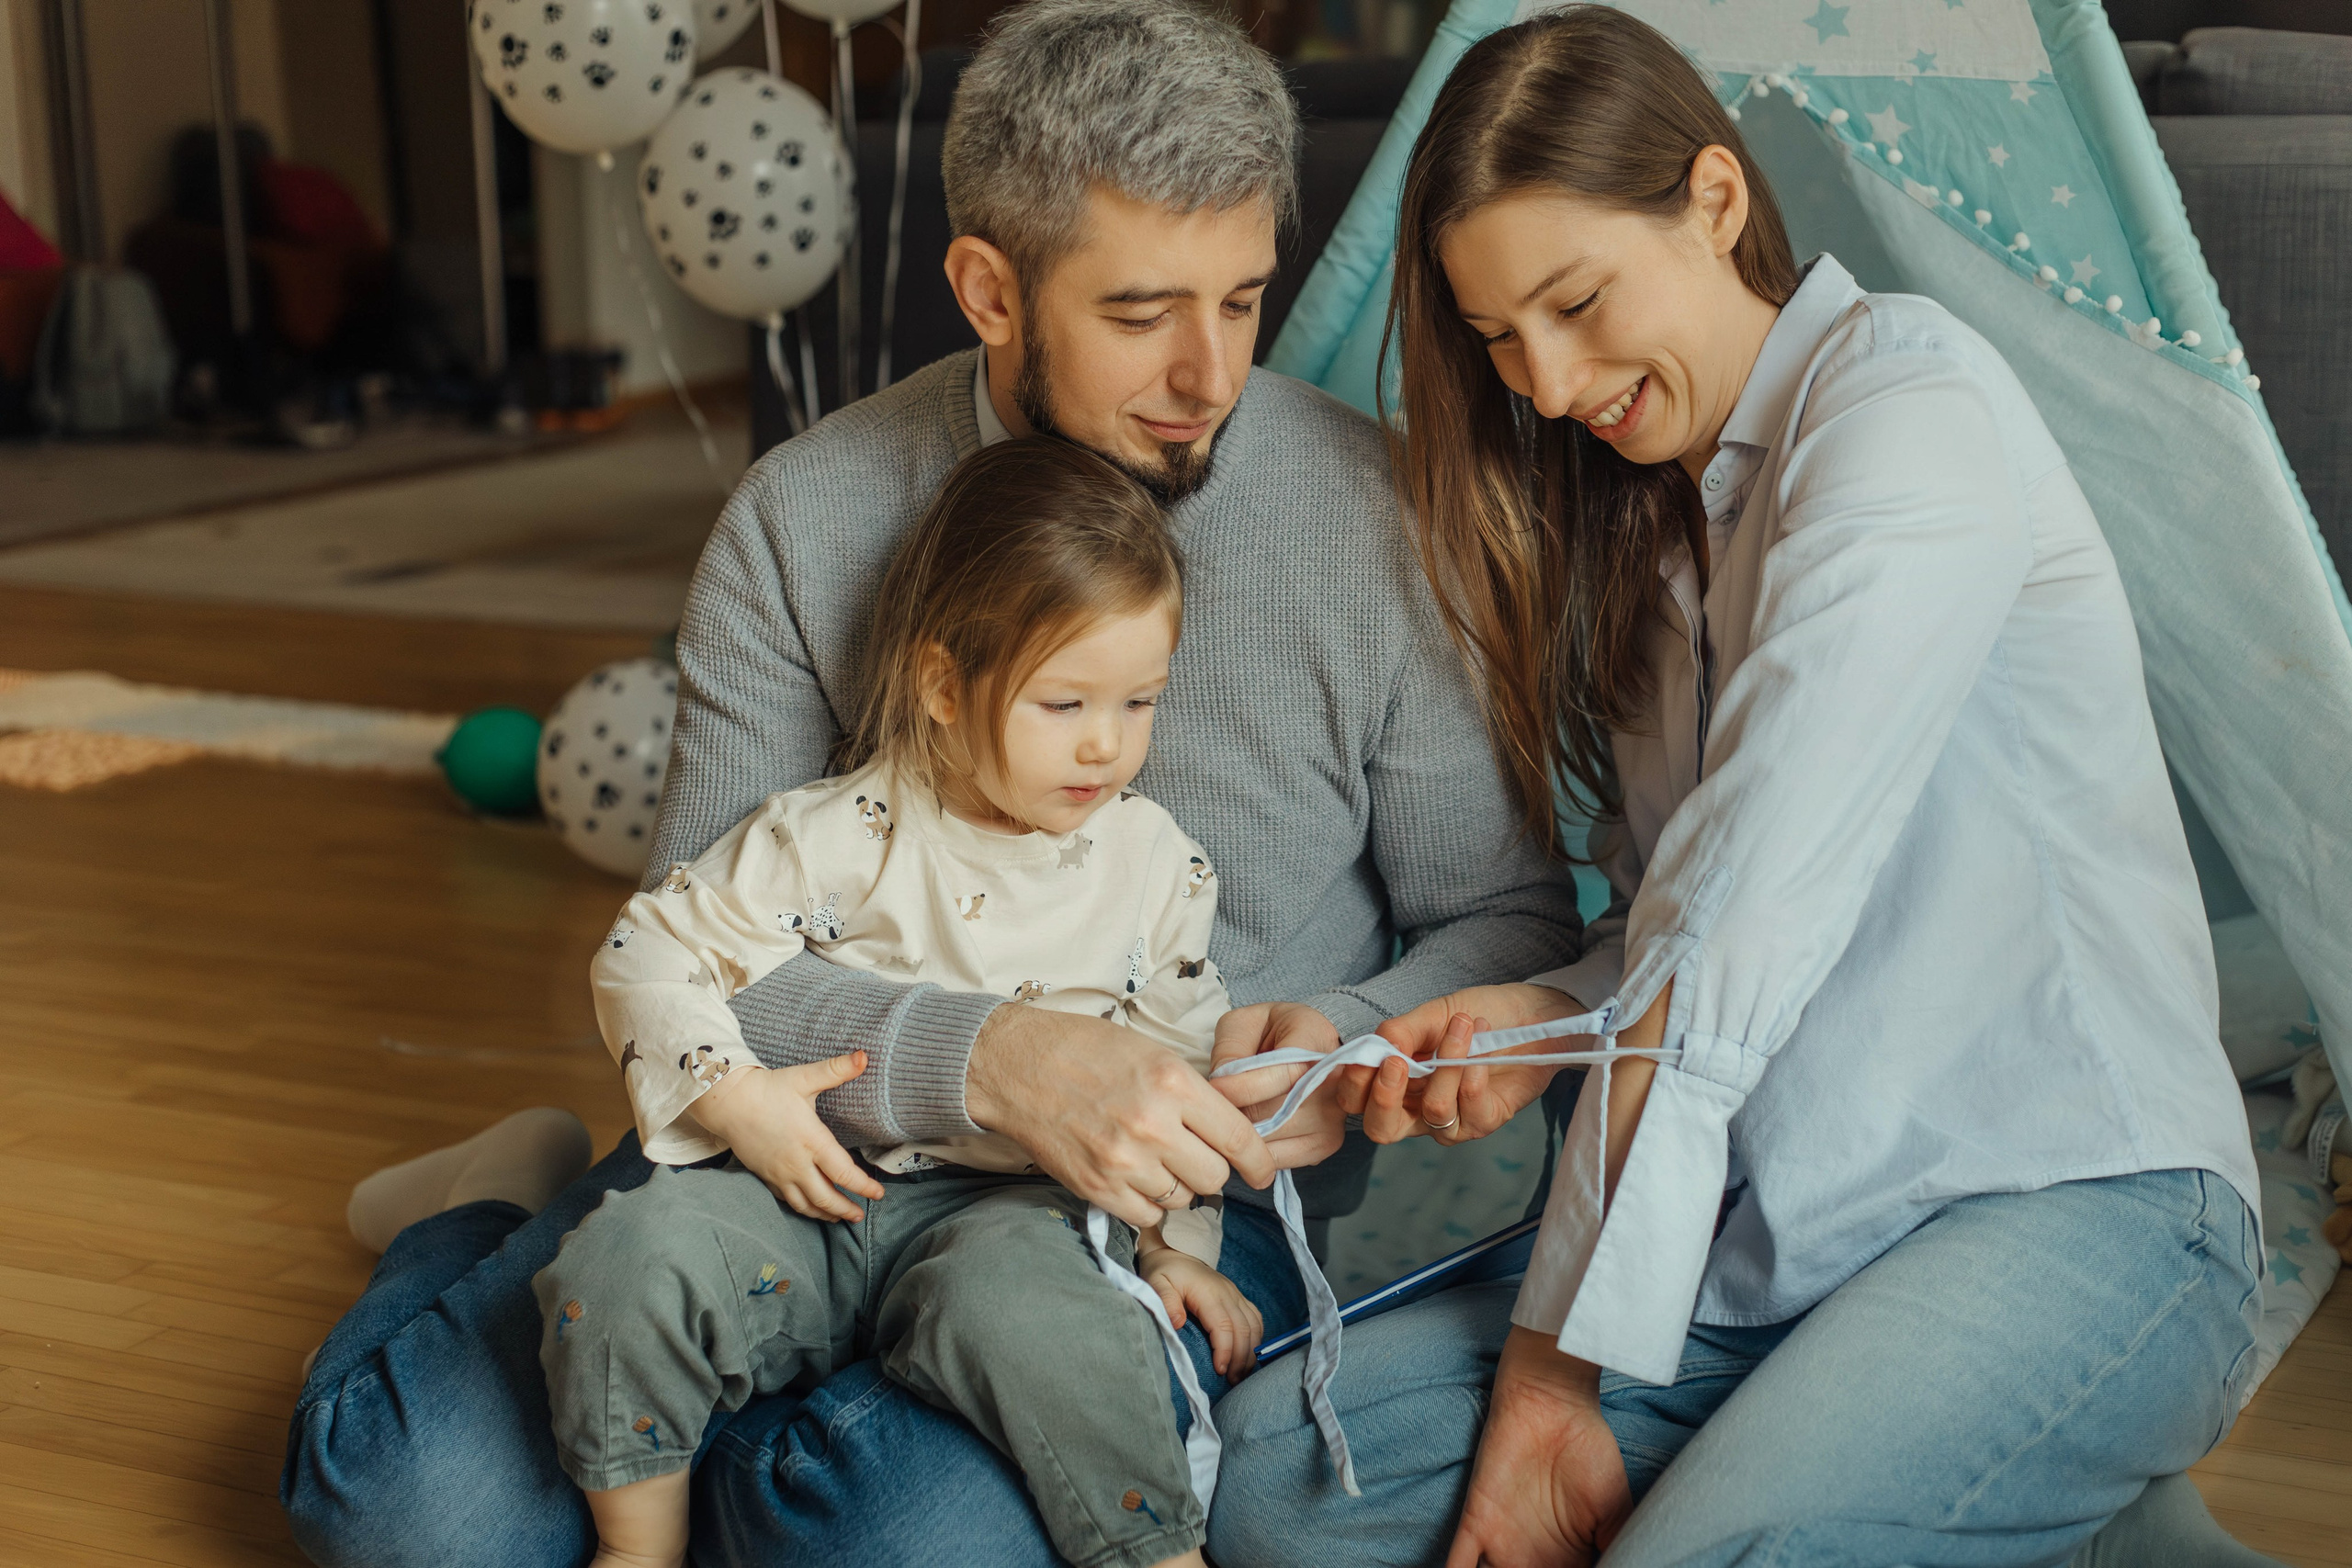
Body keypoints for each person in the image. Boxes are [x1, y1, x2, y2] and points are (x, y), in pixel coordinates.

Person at [277, 4, 1583, 1564]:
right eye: (1142, 311)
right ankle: (498, 1205)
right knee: (407, 1512)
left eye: (1244, 298)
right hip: (793, 1145)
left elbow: (1508, 916)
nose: (1208, 372)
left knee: (873, 1534)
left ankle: (724, 1427)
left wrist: (1341, 1041)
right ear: (988, 290)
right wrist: (993, 1057)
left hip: (1118, 1215)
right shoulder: (808, 513)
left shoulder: (1381, 522)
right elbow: (700, 933)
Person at [1205, 9, 2270, 1566]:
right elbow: (1657, 931)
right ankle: (2027, 1510)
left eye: (1575, 304)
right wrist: (1518, 1015)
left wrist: (1553, 1376)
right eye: (1502, 340)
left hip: (2072, 1193)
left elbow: (1728, 938)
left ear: (1713, 199)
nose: (1551, 384)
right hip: (1781, 1239)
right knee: (1273, 1475)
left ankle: (1983, 1475)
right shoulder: (1650, 541)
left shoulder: (1909, 418)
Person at [544, 436, 1279, 1568]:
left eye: (1139, 701)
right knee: (627, 1258)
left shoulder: (1154, 864)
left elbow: (1170, 1079)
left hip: (1016, 1219)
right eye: (1062, 700)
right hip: (812, 1192)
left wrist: (1176, 1249)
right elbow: (649, 952)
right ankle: (638, 1550)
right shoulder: (835, 833)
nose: (1105, 742)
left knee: (1058, 1335)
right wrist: (736, 1100)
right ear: (944, 683)